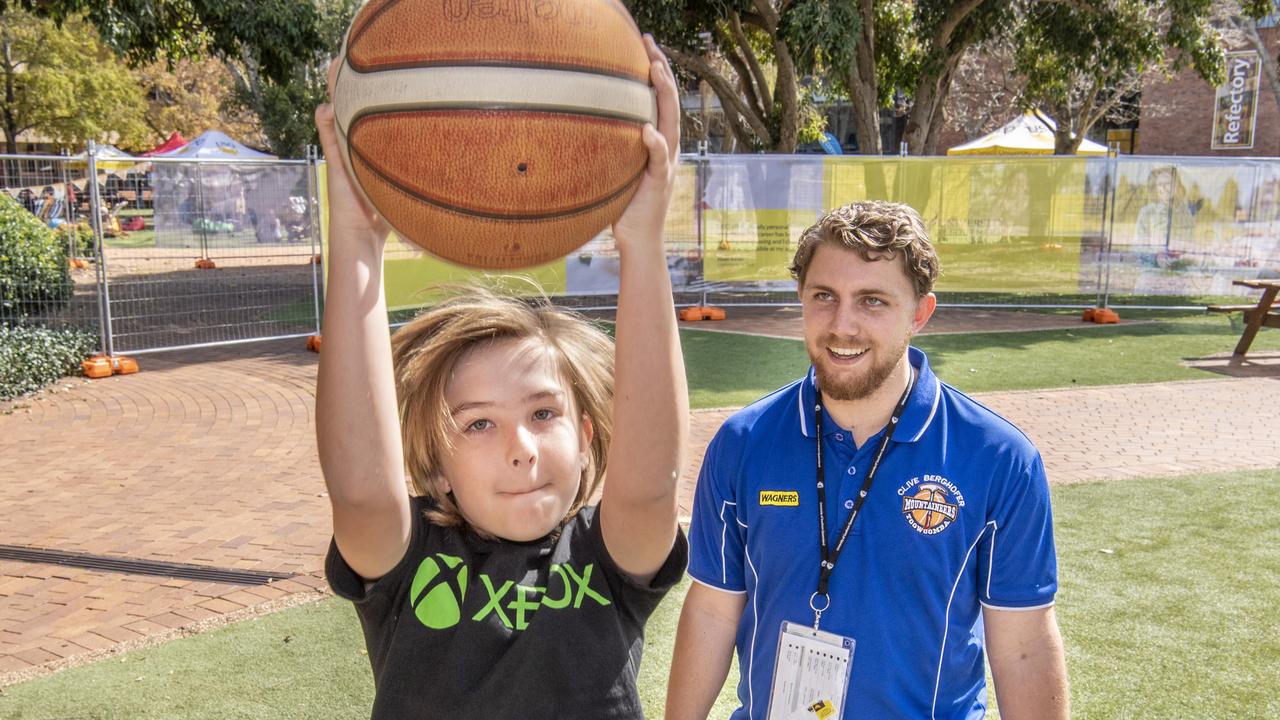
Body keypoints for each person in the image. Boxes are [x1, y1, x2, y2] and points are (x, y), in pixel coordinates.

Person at [314, 35, 688, 719]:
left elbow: (650, 481)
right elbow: (363, 489)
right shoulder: (409, 559)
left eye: (543, 413)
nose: (521, 445)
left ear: (585, 434)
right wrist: (356, 240)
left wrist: (642, 245)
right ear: (434, 462)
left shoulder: (606, 558)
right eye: (478, 423)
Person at [666, 201, 1069, 720]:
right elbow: (713, 610)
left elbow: (1023, 645)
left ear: (919, 313)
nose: (843, 325)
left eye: (873, 301)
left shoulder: (999, 458)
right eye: (824, 297)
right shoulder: (742, 442)